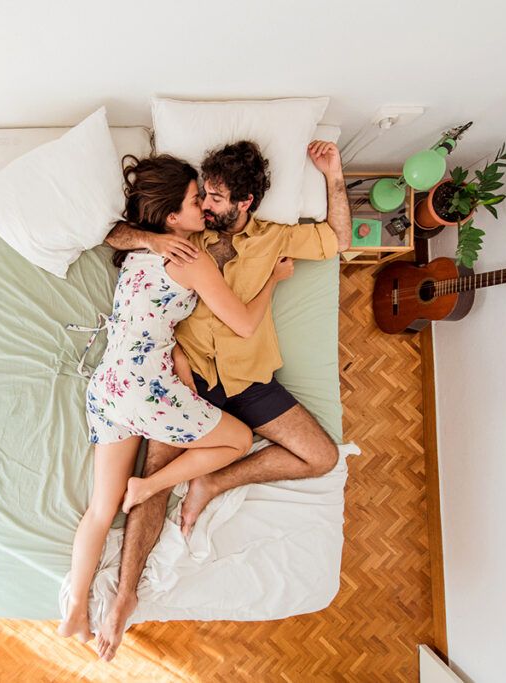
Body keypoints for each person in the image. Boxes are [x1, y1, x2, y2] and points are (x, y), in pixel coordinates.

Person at [94, 139, 352, 661]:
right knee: (150, 486)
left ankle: (213, 479)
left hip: (248, 379)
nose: (206, 207)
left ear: (245, 203)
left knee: (322, 456)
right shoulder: (179, 235)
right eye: (202, 196)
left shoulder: (274, 239)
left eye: (214, 198)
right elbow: (113, 234)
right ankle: (124, 596)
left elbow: (339, 239)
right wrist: (154, 241)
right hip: (186, 377)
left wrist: (333, 174)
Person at [58, 154, 295, 651]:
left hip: (108, 385)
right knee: (239, 439)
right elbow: (245, 325)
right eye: (195, 201)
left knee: (101, 509)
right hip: (145, 387)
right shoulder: (190, 258)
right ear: (171, 216)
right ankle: (148, 486)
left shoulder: (138, 251)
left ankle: (76, 609)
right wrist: (275, 279)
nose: (204, 209)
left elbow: (112, 235)